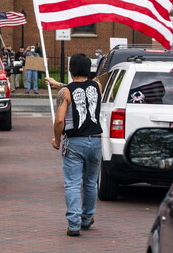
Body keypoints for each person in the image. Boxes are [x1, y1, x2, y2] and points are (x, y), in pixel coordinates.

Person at [46, 53, 103, 237]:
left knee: (72, 184)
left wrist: (56, 140)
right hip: (95, 140)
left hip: (74, 142)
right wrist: (58, 84)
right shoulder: (98, 86)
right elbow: (83, 89)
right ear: (89, 69)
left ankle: (74, 223)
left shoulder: (66, 92)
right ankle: (87, 217)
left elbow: (60, 120)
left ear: (70, 70)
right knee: (91, 182)